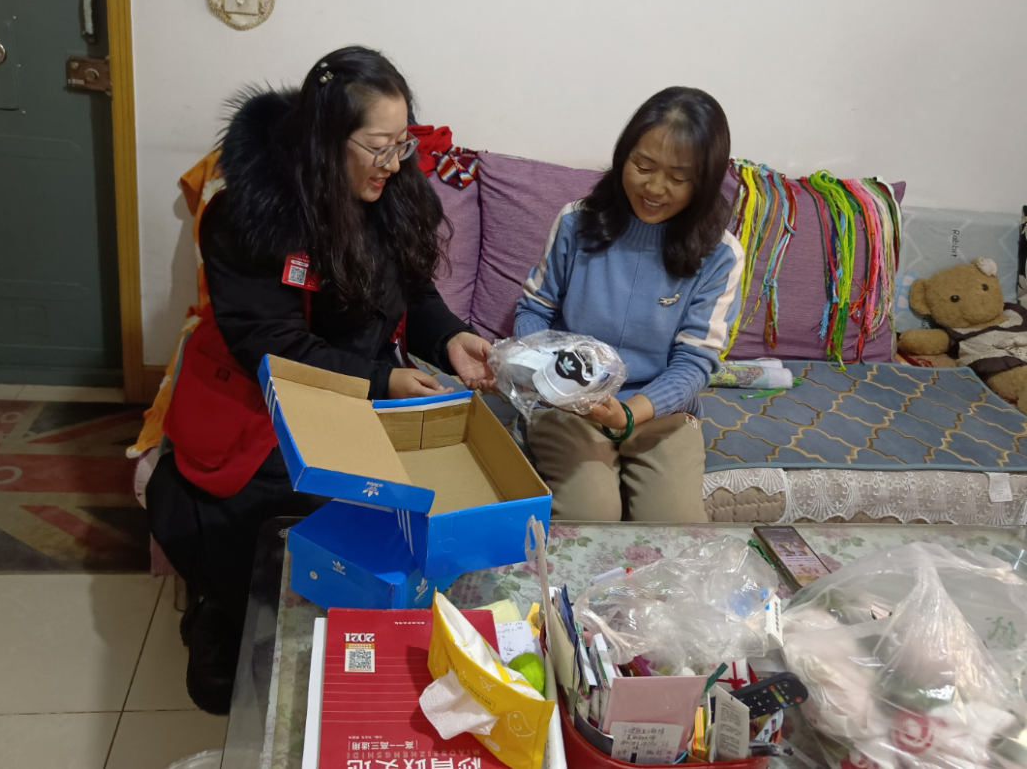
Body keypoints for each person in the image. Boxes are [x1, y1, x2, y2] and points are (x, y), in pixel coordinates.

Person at [146, 46, 493, 714]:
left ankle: (324, 619)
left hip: (354, 385)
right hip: (260, 391)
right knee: (264, 502)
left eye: (403, 144)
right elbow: (270, 345)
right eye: (378, 147)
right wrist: (382, 382)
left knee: (395, 502)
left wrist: (449, 337)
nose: (395, 163)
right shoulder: (248, 214)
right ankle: (224, 610)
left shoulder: (394, 190)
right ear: (323, 141)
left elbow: (415, 293)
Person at [514, 87, 743, 523]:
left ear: (706, 180)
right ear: (623, 157)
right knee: (590, 516)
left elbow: (694, 363)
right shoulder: (576, 222)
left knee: (677, 529)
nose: (654, 188)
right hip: (571, 403)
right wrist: (554, 380)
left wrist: (629, 414)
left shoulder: (720, 255)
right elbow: (534, 311)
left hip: (661, 413)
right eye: (643, 166)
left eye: (678, 177)